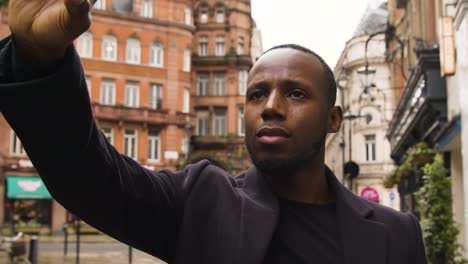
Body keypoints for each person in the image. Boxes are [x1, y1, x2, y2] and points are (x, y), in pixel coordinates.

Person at [0, 0, 426, 263]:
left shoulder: (396, 234)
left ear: (334, 119)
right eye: (257, 94)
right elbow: (86, 174)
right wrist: (39, 58)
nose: (271, 107)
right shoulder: (201, 200)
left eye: (295, 93)